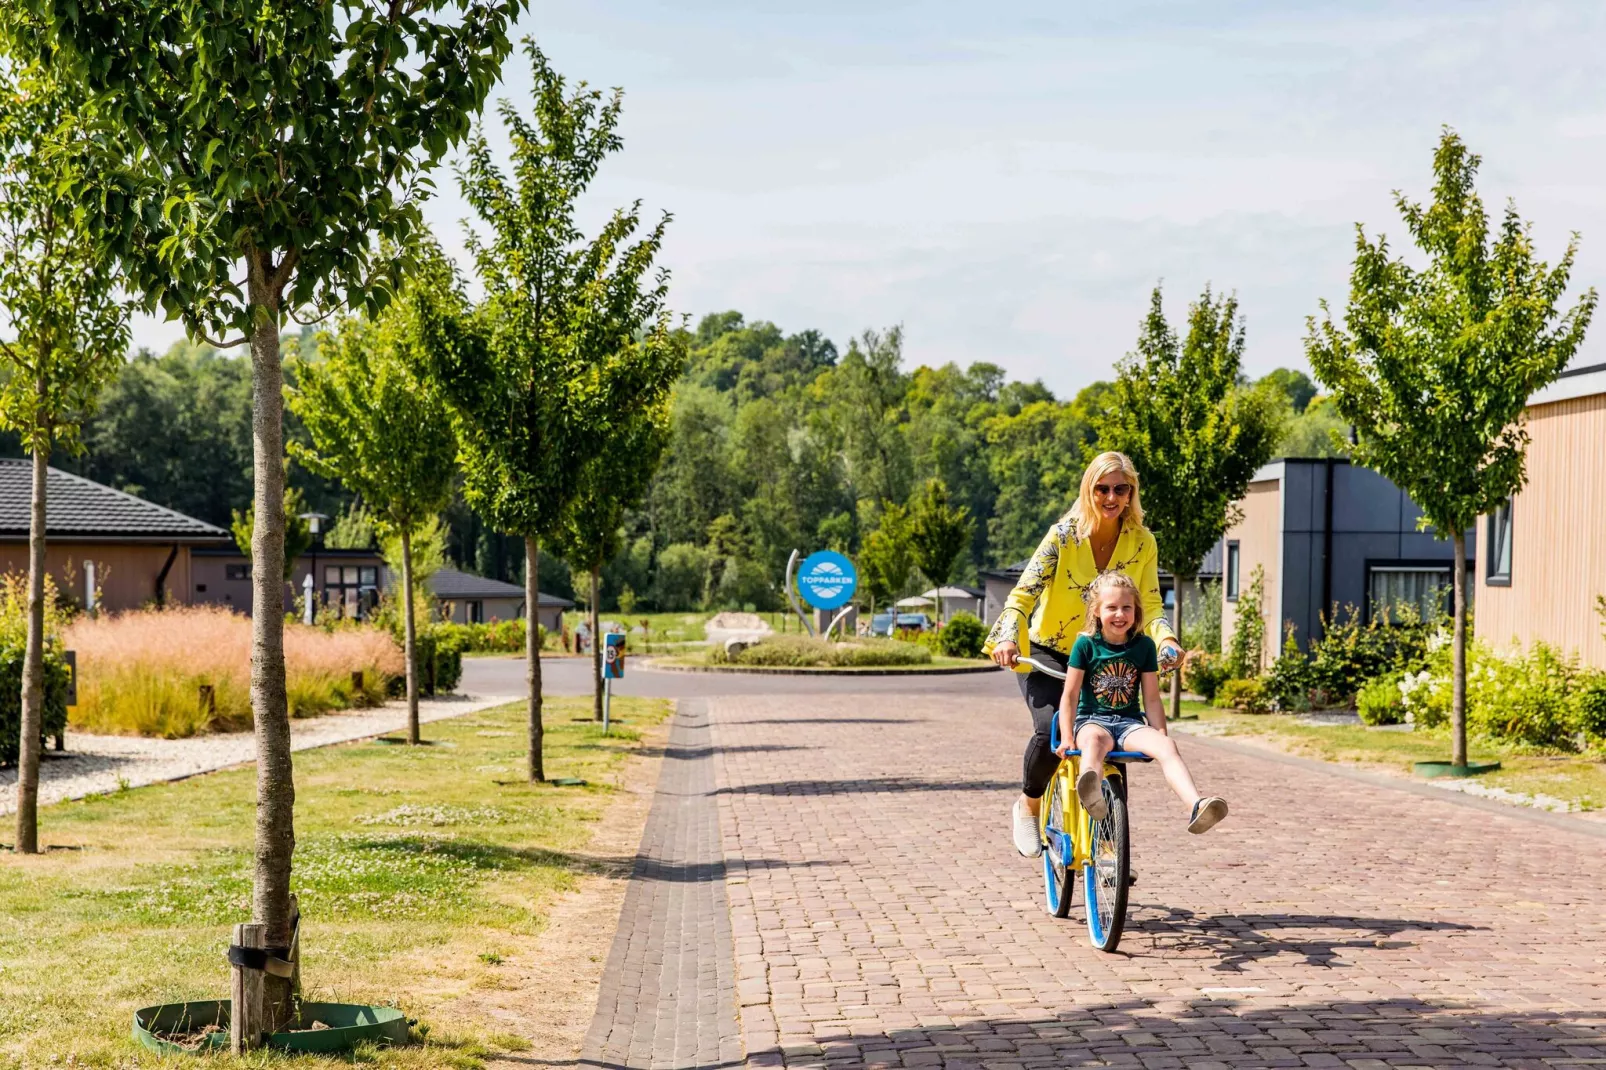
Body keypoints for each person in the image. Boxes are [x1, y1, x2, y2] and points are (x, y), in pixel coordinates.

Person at [983, 450, 1183, 857]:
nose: (1111, 497)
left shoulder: (1142, 541)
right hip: (1050, 651)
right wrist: (1007, 638)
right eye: (1102, 488)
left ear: (1131, 494)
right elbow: (1022, 595)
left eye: (1120, 489)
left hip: (1110, 654)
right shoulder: (1063, 535)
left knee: (1114, 732)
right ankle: (1029, 804)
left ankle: (1110, 848)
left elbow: (1150, 603)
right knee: (1050, 727)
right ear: (1089, 490)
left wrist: (1166, 640)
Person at [1056, 571, 1228, 833]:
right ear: (1097, 611)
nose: (1120, 614)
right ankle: (1091, 789)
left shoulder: (1144, 646)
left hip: (1128, 724)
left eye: (1127, 607)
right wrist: (1067, 737)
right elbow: (1070, 696)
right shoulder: (1086, 645)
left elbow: (1151, 697)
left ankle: (1196, 804)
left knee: (1167, 745)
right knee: (1094, 742)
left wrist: (1160, 734)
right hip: (1092, 721)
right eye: (1111, 608)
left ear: (1136, 611)